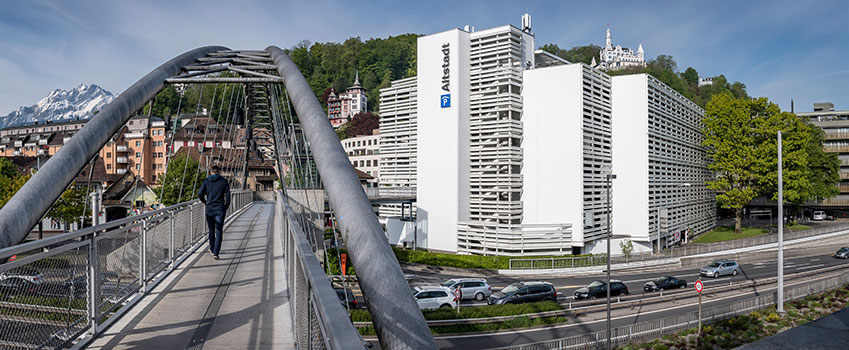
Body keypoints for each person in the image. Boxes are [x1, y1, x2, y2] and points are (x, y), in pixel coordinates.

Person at [198, 165, 231, 260]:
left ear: (210, 172)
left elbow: (200, 194)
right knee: (219, 230)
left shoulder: (206, 181)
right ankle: (216, 252)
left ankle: (212, 249)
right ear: (219, 172)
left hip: (209, 209)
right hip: (220, 209)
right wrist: (226, 206)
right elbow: (228, 196)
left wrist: (205, 202)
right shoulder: (224, 181)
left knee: (211, 230)